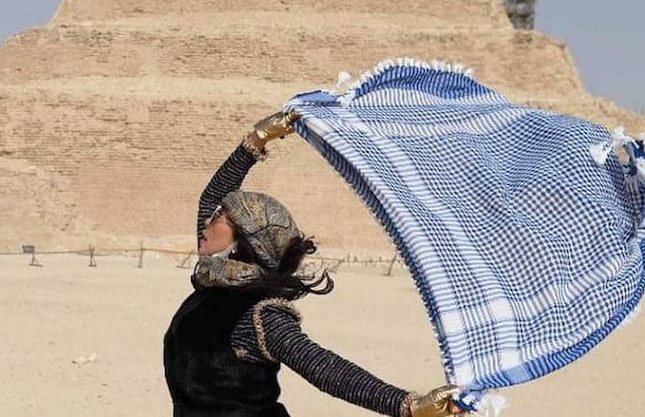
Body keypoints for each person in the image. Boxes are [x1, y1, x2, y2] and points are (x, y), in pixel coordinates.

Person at [163, 111, 465, 416]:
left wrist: (409, 406)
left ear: (242, 242)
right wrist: (256, 140)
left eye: (219, 218)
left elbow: (324, 369)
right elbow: (211, 197)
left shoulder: (260, 315)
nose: (208, 221)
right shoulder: (212, 280)